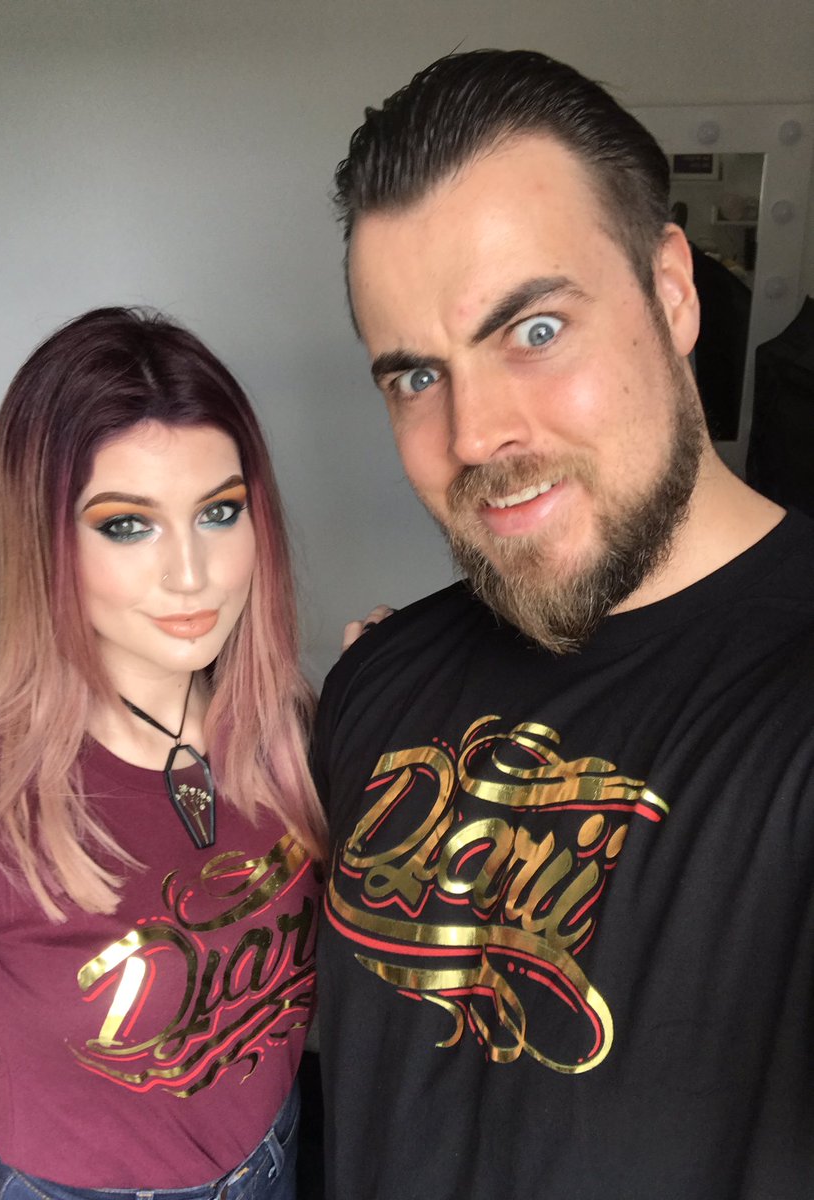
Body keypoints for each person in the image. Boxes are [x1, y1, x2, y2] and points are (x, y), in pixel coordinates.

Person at [314, 49, 814, 1199]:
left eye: (533, 330)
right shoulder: (375, 682)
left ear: (671, 292)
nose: (473, 434)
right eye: (415, 376)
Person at [0, 307, 326, 1200]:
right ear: (44, 541)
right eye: (127, 525)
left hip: (273, 1159)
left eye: (219, 512)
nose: (191, 573)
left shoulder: (292, 733)